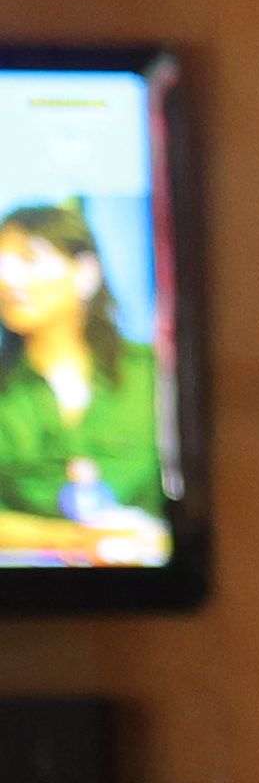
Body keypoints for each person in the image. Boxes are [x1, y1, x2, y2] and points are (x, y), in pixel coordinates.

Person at [0, 203, 162, 554]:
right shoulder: (6, 388)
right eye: (2, 264)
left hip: (156, 588)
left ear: (86, 273)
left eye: (28, 259)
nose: (8, 278)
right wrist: (78, 541)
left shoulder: (151, 372)